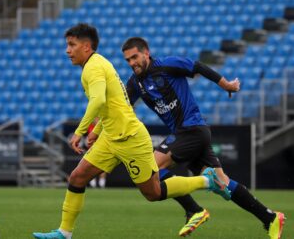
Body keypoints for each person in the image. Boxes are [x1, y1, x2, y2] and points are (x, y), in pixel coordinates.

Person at [32, 23, 230, 239]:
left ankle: (207, 181)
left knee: (153, 193)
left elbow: (98, 101)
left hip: (130, 138)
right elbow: (114, 103)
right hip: (111, 136)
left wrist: (79, 131)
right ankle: (64, 232)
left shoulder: (94, 67)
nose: (67, 50)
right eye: (67, 45)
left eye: (72, 45)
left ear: (87, 47)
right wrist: (97, 130)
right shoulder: (95, 65)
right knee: (77, 177)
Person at [120, 37, 286, 239]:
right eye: (128, 60)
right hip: (188, 133)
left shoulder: (167, 64)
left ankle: (194, 210)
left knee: (153, 167)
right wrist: (94, 130)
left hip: (192, 129)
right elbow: (120, 106)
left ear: (146, 52)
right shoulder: (135, 82)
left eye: (134, 57)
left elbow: (198, 66)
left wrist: (226, 85)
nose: (132, 63)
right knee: (222, 184)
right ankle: (269, 217)